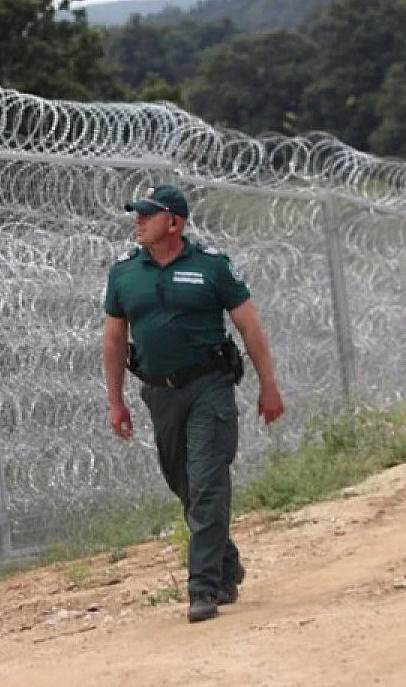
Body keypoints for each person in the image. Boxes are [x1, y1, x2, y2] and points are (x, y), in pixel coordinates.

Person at [101, 184, 284, 622]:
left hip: (209, 387)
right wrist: (115, 400)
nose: (137, 222)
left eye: (147, 215)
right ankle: (225, 561)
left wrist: (269, 387)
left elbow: (250, 328)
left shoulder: (212, 268)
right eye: (137, 215)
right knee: (182, 481)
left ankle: (203, 587)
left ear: (175, 223)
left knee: (206, 481)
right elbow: (113, 338)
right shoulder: (125, 273)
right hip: (159, 393)